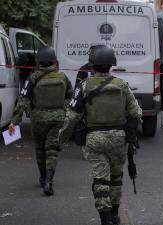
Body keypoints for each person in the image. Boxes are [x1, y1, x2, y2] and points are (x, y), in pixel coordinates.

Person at [58, 47, 142, 225]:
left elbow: (72, 116)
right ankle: (115, 214)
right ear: (112, 65)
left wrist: (62, 139)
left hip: (94, 139)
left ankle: (105, 219)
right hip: (119, 139)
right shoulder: (122, 84)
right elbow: (136, 113)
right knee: (116, 178)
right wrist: (130, 134)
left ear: (92, 66)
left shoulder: (83, 86)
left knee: (101, 180)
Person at [8, 46, 73, 196]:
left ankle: (43, 178)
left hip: (38, 119)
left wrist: (14, 121)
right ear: (54, 62)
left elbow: (23, 99)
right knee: (52, 150)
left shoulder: (33, 77)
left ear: (38, 62)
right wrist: (64, 110)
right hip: (58, 119)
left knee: (40, 150)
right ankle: (49, 181)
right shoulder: (62, 77)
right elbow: (70, 97)